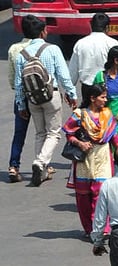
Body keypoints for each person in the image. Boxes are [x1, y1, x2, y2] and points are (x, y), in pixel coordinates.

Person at [14, 15, 80, 187]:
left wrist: (21, 104)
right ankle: (41, 162)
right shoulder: (53, 49)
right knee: (53, 133)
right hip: (52, 95)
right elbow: (64, 76)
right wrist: (72, 94)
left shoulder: (22, 54)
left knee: (40, 133)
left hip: (32, 99)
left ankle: (42, 170)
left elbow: (19, 82)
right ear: (43, 32)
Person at [63, 84, 118, 238]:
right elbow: (69, 133)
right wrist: (80, 143)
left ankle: (103, 229)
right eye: (102, 97)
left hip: (102, 158)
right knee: (83, 198)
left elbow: (114, 137)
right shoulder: (79, 114)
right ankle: (89, 229)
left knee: (101, 194)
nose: (105, 100)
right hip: (84, 161)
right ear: (92, 98)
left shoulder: (107, 115)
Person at [69, 12, 118, 99]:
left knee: (88, 112)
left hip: (87, 88)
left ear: (91, 25)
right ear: (107, 27)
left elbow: (73, 71)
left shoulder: (80, 43)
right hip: (107, 86)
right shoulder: (113, 43)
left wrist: (69, 91)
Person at [8, 28, 34, 183]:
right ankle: (42, 164)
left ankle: (13, 165)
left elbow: (13, 79)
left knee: (19, 134)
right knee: (43, 134)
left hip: (21, 97)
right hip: (40, 98)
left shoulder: (14, 48)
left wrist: (19, 98)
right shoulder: (45, 48)